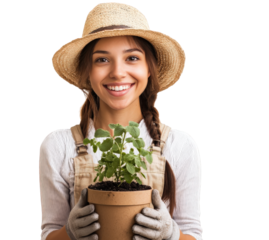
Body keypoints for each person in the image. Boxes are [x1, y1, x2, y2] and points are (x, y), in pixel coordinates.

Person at [38, 2, 203, 240]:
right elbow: (47, 235)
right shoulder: (57, 145)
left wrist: (172, 234)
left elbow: (194, 234)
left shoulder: (181, 145)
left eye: (132, 58)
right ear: (87, 71)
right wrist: (68, 233)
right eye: (102, 60)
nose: (117, 72)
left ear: (149, 68)